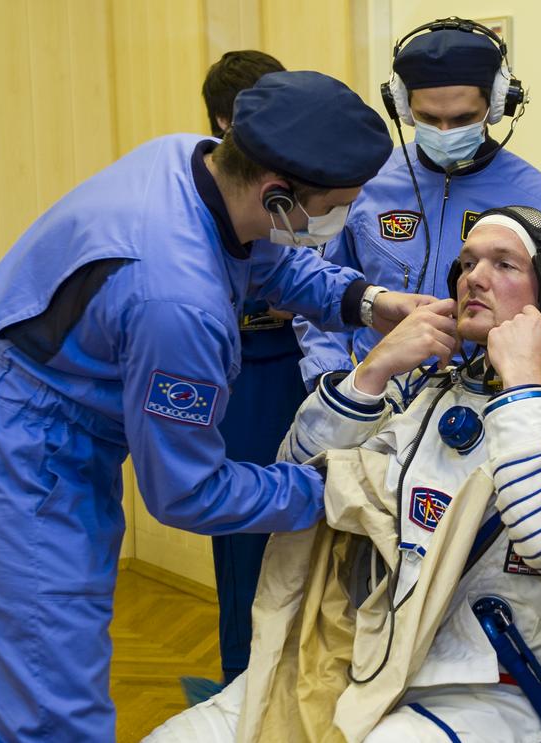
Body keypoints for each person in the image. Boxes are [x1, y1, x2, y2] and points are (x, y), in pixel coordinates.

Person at [0, 70, 433, 742]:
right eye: (338, 206)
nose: (341, 220)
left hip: (37, 414)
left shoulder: (191, 161)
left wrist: (367, 301)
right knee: (48, 713)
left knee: (49, 669)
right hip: (22, 464)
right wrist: (326, 487)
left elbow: (261, 257)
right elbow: (187, 491)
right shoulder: (179, 304)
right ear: (278, 194)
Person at [145, 206, 541, 742]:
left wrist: (523, 383)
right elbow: (295, 476)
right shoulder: (423, 392)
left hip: (514, 691)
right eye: (466, 264)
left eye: (503, 264)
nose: (474, 278)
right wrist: (372, 372)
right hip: (371, 655)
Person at [294, 17, 541, 396]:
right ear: (403, 108)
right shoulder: (364, 186)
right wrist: (332, 379)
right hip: (377, 397)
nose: (444, 132)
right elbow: (318, 289)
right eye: (428, 118)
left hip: (485, 400)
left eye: (462, 119)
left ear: (495, 105)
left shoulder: (540, 201)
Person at [197, 48, 302, 693]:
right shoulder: (204, 190)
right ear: (221, 122)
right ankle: (240, 686)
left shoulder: (304, 173)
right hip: (238, 376)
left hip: (302, 368)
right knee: (243, 543)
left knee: (306, 550)